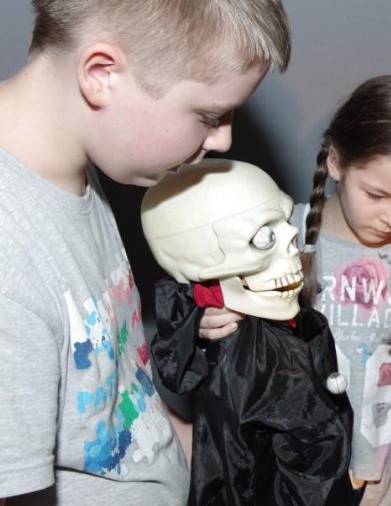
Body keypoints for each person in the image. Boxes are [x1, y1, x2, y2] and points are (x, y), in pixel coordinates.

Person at [0, 0, 289, 503]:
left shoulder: (78, 165)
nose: (223, 139)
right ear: (101, 74)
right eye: (208, 114)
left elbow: (118, 402)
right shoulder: (9, 252)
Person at [200, 75, 391, 505]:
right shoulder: (278, 238)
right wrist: (210, 329)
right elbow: (238, 382)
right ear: (335, 162)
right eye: (375, 194)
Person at [142, 159, 356, 505]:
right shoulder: (247, 355)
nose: (293, 241)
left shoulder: (278, 332)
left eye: (286, 223)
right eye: (263, 236)